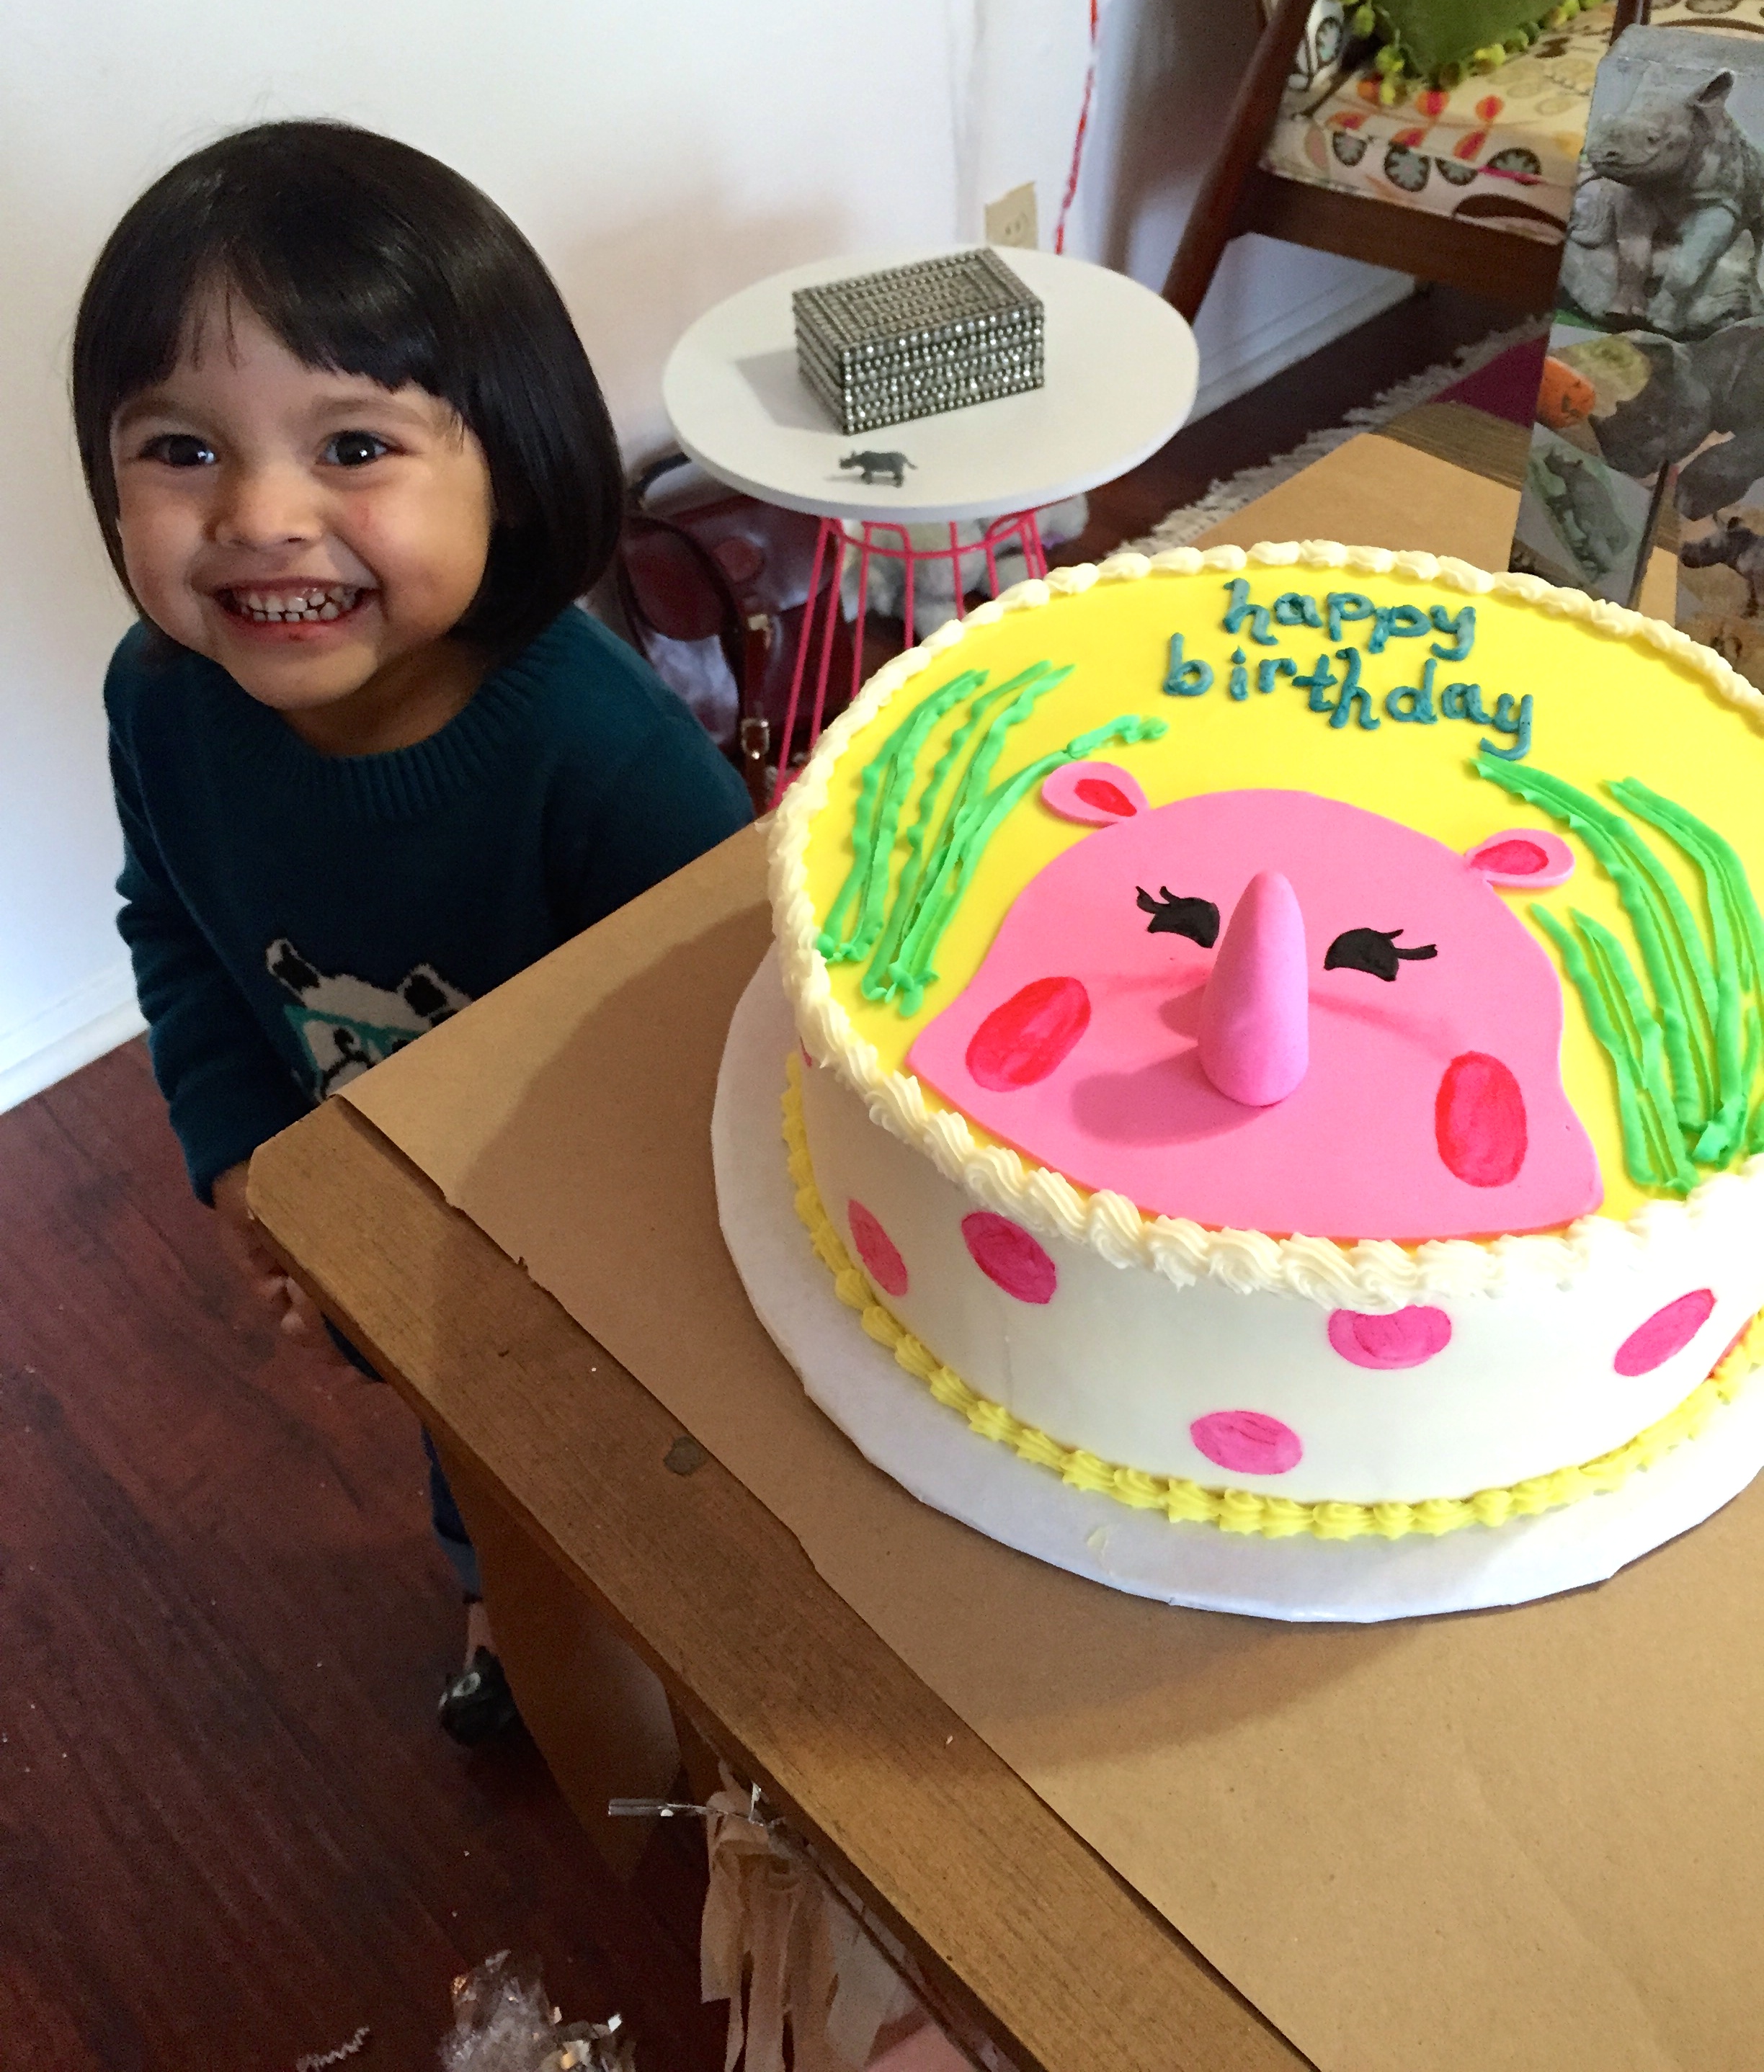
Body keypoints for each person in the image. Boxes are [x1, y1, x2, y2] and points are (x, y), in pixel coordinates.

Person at [71, 121, 752, 1743]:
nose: (259, 515)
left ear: (506, 463)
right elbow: (171, 924)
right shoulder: (158, 706)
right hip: (399, 1236)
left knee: (664, 1493)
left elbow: (734, 1047)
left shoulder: (600, 756)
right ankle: (497, 1594)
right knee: (475, 1456)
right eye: (182, 448)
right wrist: (254, 1160)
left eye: (355, 447)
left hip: (620, 1262)